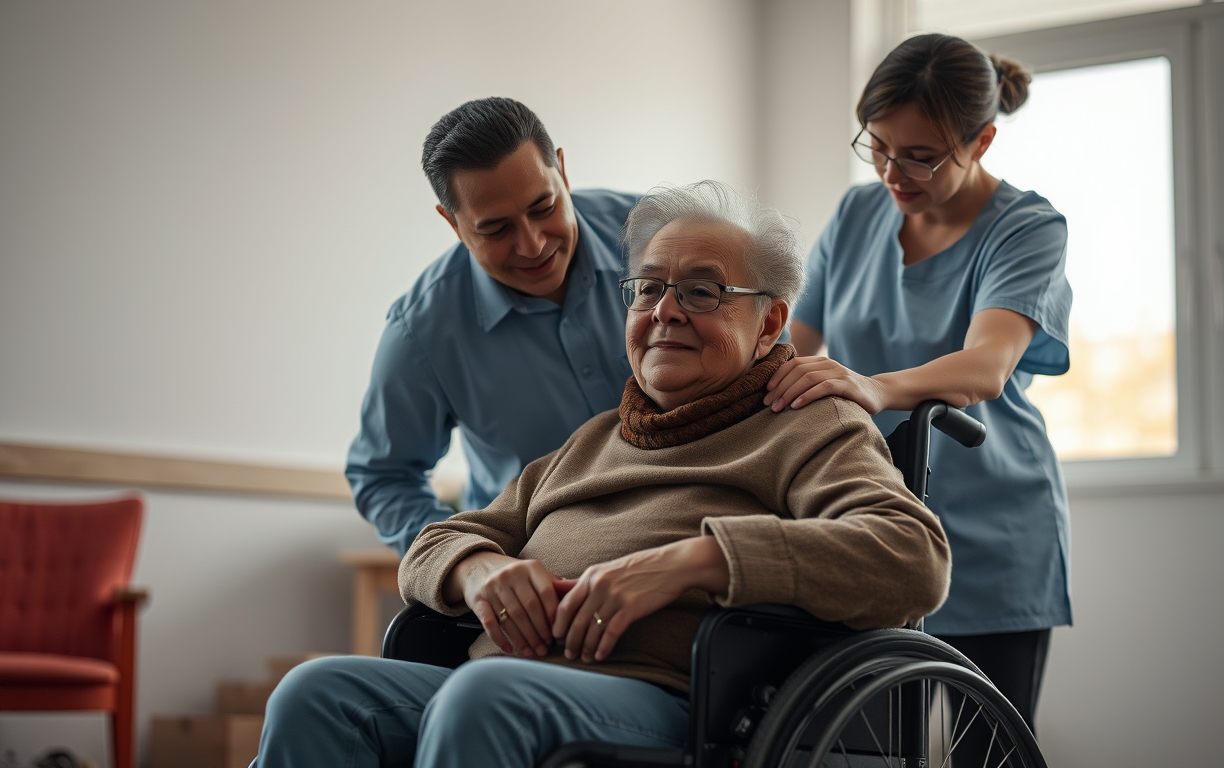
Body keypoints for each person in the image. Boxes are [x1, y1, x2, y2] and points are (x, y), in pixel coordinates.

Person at [257, 181, 951, 767]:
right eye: (647, 289)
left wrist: (696, 560)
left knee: (485, 696)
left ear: (770, 323)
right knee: (316, 691)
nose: (665, 311)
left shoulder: (805, 423)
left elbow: (912, 557)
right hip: (504, 682)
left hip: (684, 707)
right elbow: (437, 543)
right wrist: (478, 571)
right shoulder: (591, 440)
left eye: (703, 292)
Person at [763, 33, 1072, 740]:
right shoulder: (856, 216)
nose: (893, 172)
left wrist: (873, 388)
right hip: (872, 521)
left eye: (921, 155)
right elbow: (786, 350)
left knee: (984, 744)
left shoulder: (1026, 228)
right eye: (877, 146)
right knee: (863, 744)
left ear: (982, 140)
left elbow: (987, 365)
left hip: (995, 530)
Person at [346, 97, 638, 555]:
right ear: (454, 224)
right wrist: (466, 559)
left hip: (694, 530)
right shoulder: (421, 331)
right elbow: (384, 477)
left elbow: (757, 340)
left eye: (543, 207)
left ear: (562, 171)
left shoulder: (659, 236)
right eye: (496, 229)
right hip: (541, 566)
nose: (532, 244)